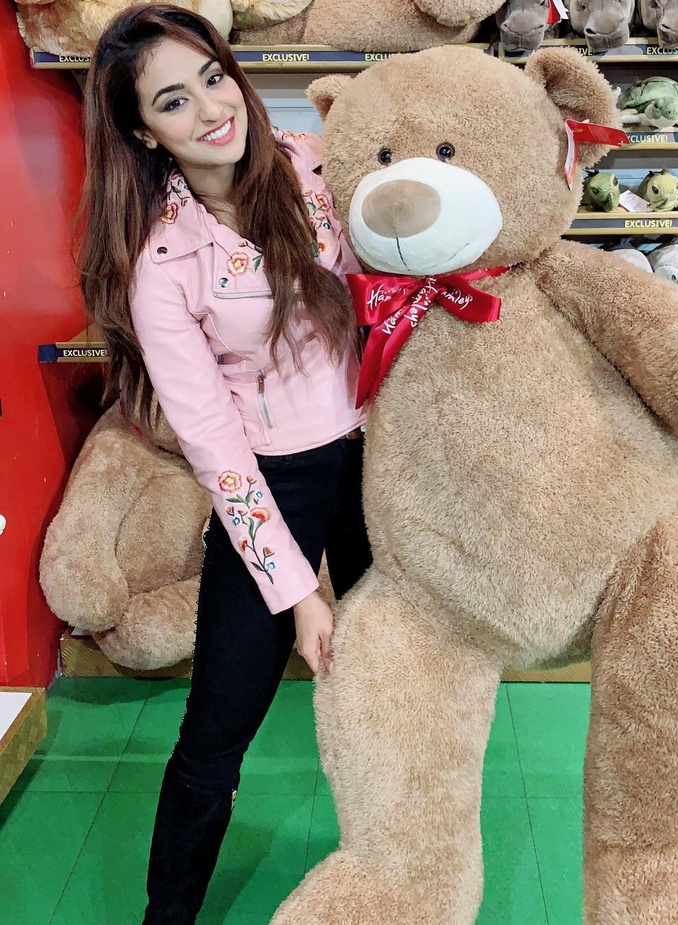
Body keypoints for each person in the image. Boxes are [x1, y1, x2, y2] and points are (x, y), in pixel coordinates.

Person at [78, 5, 372, 922]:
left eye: (213, 76)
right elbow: (214, 446)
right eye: (173, 100)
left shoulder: (314, 164)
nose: (212, 109)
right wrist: (298, 591)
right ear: (141, 131)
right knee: (215, 731)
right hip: (270, 486)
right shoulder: (163, 263)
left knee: (396, 690)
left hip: (378, 464)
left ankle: (399, 869)